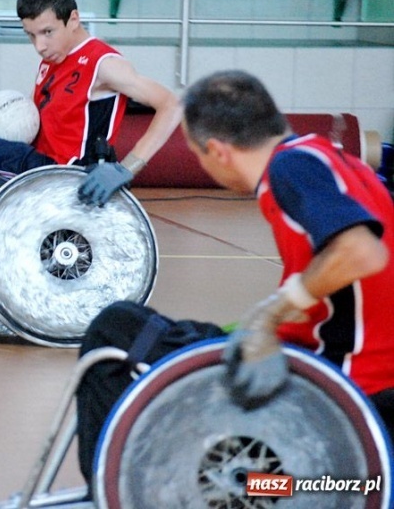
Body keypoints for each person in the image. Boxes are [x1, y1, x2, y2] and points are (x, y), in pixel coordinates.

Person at [75, 69, 394, 490]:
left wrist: (270, 314)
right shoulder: (333, 158)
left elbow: (362, 251)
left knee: (114, 329)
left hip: (337, 386)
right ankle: (250, 484)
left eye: (197, 155)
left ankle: (114, 491)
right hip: (366, 380)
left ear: (218, 152)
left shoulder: (289, 169)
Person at [0, 0, 181, 284]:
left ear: (73, 19)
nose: (40, 46)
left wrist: (127, 168)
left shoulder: (103, 63)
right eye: (31, 35)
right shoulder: (51, 61)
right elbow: (41, 126)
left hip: (66, 178)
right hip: (38, 168)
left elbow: (172, 105)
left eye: (47, 32)